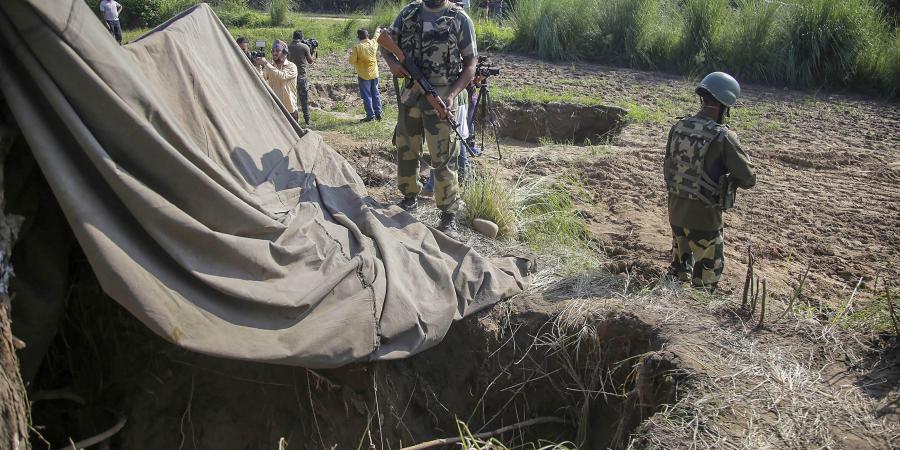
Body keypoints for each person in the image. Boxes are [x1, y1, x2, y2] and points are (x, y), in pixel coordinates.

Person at [381, 0, 478, 238]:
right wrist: (393, 64)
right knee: (406, 148)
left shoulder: (459, 18)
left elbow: (471, 65)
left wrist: (453, 95)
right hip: (411, 95)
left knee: (443, 156)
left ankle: (448, 215)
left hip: (443, 96)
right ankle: (409, 198)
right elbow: (384, 45)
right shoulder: (408, 13)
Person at [664, 72, 757, 292]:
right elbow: (748, 179)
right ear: (725, 106)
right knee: (705, 282)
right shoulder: (723, 137)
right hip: (704, 219)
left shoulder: (678, 127)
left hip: (676, 213)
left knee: (678, 273)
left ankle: (668, 307)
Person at [254, 40, 300, 122]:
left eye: (277, 51)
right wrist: (258, 66)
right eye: (273, 51)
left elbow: (282, 76)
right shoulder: (270, 67)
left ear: (285, 53)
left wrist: (266, 64)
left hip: (289, 109)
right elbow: (261, 79)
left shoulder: (292, 66)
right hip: (275, 109)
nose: (274, 53)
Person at [348, 29, 383, 122]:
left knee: (367, 96)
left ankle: (370, 115)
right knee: (375, 94)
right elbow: (376, 36)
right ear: (367, 36)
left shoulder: (357, 47)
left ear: (358, 37)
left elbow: (351, 61)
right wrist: (378, 29)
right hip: (374, 73)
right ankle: (378, 113)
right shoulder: (373, 43)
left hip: (364, 75)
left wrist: (352, 54)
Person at [288, 31, 315, 127]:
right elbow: (310, 61)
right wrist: (313, 52)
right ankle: (308, 120)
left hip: (290, 77)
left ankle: (293, 120)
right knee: (304, 99)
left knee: (291, 99)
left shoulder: (288, 46)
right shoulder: (304, 47)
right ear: (302, 37)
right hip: (301, 76)